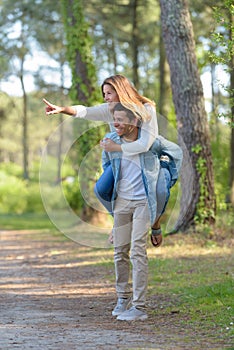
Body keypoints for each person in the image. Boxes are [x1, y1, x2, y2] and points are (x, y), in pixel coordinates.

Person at [43, 74, 164, 246]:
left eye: (108, 93)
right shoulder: (109, 109)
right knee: (101, 189)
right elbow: (85, 111)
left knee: (159, 193)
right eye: (104, 94)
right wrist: (62, 109)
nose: (105, 98)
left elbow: (145, 144)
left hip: (145, 163)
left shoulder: (146, 109)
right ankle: (121, 225)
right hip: (121, 163)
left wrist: (116, 148)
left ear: (120, 91)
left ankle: (156, 226)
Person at [101, 103, 182, 321]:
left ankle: (139, 307)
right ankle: (122, 298)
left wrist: (166, 177)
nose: (116, 123)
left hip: (143, 202)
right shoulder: (112, 141)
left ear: (135, 121)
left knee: (137, 250)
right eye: (114, 119)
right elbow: (106, 165)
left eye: (120, 119)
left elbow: (176, 152)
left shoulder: (150, 142)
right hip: (121, 203)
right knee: (120, 251)